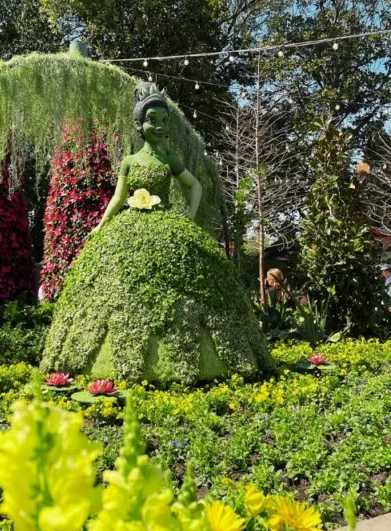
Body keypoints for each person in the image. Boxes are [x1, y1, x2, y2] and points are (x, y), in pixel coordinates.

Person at [43, 82, 270, 384]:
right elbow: (118, 197)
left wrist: (188, 216)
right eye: (153, 120)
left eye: (165, 121)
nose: (160, 126)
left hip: (168, 223)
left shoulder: (171, 160)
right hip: (129, 226)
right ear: (139, 124)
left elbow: (195, 186)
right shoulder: (130, 161)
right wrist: (100, 225)